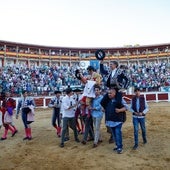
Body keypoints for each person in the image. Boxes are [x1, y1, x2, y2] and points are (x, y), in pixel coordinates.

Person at [101, 87, 128, 154]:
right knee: (114, 133)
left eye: (111, 93)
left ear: (115, 93)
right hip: (111, 120)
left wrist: (120, 110)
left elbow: (126, 107)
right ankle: (117, 145)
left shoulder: (119, 100)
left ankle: (120, 147)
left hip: (118, 119)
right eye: (108, 93)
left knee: (117, 133)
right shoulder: (107, 100)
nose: (109, 94)